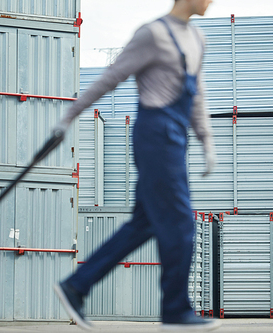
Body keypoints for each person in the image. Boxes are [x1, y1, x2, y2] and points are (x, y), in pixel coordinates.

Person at [53, 0, 219, 330]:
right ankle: (175, 309)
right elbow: (111, 77)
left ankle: (76, 286)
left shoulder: (199, 39)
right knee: (182, 223)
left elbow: (197, 96)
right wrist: (68, 116)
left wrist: (207, 143)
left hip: (176, 138)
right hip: (154, 136)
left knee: (144, 224)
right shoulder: (152, 34)